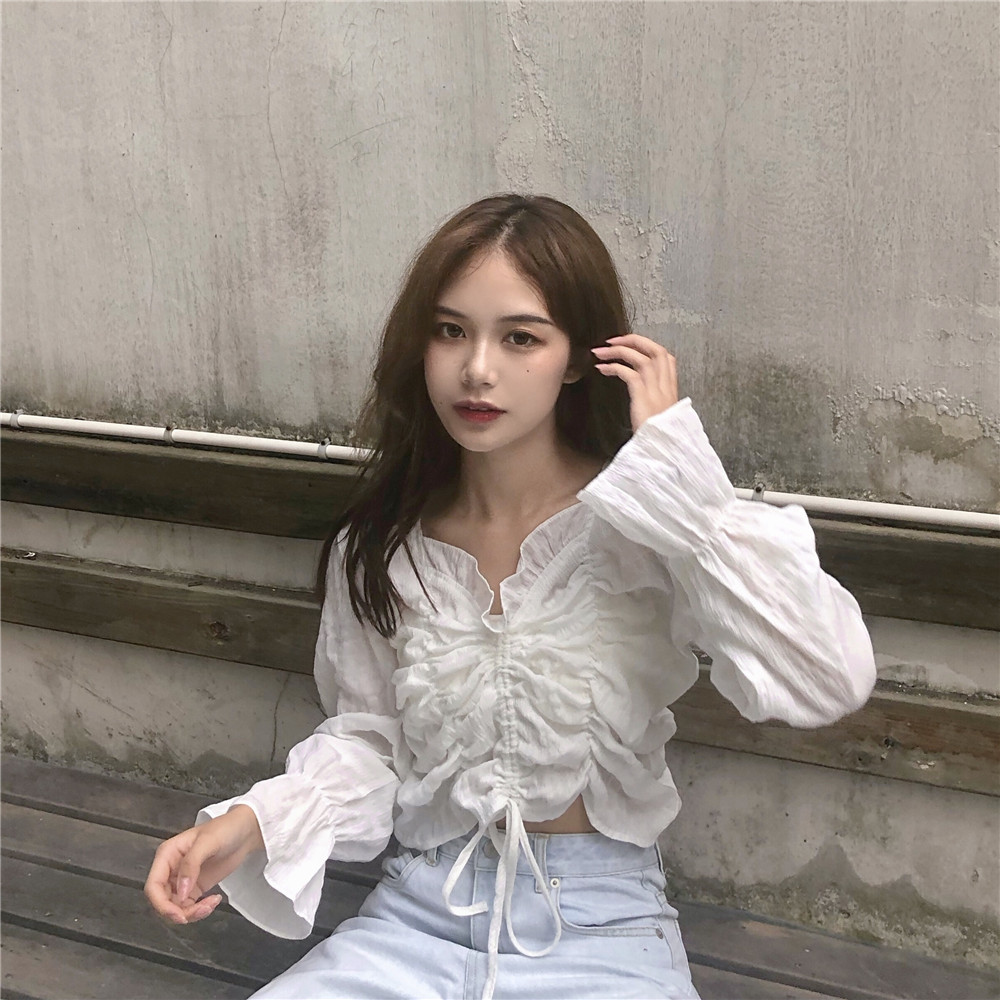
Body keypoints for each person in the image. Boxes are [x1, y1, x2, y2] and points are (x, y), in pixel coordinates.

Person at [144, 194, 877, 1000]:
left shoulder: (649, 528)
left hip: (600, 926)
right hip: (415, 918)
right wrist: (254, 823)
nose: (478, 369)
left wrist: (685, 485)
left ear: (578, 358)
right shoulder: (384, 546)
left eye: (521, 337)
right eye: (450, 330)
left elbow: (827, 678)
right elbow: (378, 742)